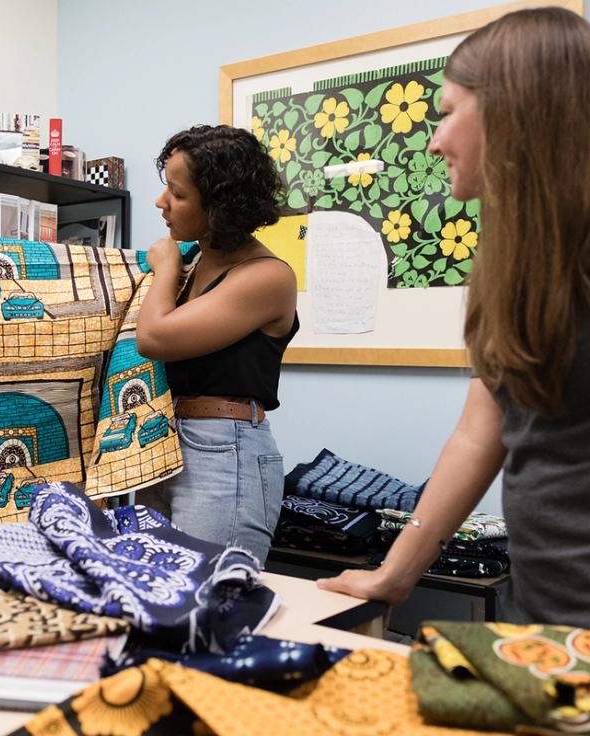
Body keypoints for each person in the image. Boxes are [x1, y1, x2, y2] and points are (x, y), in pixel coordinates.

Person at [319, 7, 590, 627]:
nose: (435, 140)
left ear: (512, 110)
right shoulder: (517, 262)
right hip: (544, 614)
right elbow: (480, 432)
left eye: (445, 112)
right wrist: (396, 572)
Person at [136, 125, 298, 564]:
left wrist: (167, 265)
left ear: (221, 206)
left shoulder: (268, 277)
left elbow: (153, 338)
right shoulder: (194, 263)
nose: (160, 202)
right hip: (162, 442)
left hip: (224, 453)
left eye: (177, 193)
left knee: (208, 598)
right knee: (157, 594)